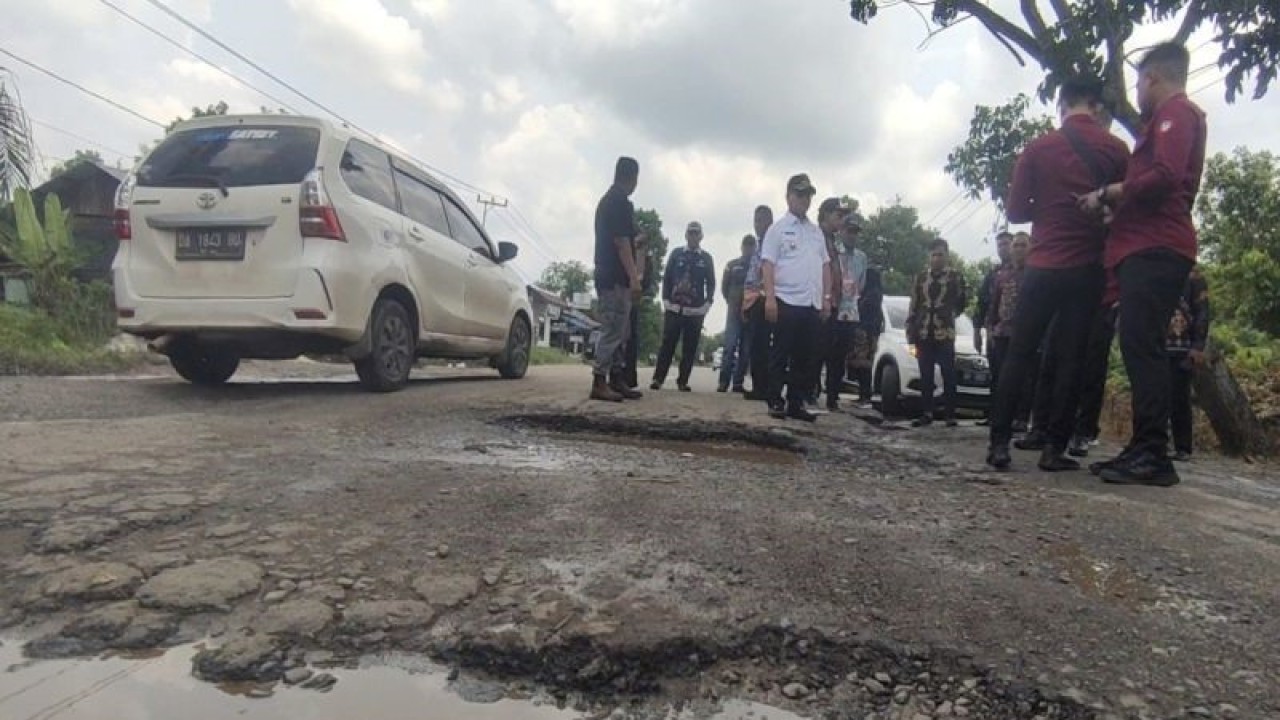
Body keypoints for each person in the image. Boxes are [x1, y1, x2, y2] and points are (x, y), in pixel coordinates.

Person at [1078, 41, 1207, 487]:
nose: (1138, 91)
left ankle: (1154, 452)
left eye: (1138, 82)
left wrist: (1111, 192)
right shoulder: (1169, 118)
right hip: (1146, 243)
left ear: (1152, 77)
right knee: (1138, 345)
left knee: (1142, 345)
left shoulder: (1178, 114)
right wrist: (1116, 208)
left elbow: (1167, 176)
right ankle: (1145, 445)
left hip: (1156, 248)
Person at [986, 76, 1130, 471]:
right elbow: (1127, 205)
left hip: (1042, 266)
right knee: (1071, 359)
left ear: (1062, 104)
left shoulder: (1038, 148)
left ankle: (999, 444)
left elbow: (1015, 212)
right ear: (1095, 106)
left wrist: (1047, 210)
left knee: (1019, 353)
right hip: (1087, 270)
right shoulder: (1117, 150)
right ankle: (1054, 451)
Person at [762, 174, 831, 422]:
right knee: (781, 353)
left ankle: (795, 401)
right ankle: (775, 400)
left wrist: (826, 297)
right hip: (786, 300)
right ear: (788, 196)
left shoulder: (815, 232)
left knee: (804, 357)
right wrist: (769, 298)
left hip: (810, 302)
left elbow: (825, 265)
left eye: (808, 195)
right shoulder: (778, 229)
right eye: (799, 194)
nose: (804, 200)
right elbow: (768, 265)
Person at [591, 157, 644, 402]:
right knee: (613, 329)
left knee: (622, 331)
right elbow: (622, 243)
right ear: (632, 178)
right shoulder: (617, 202)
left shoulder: (610, 201)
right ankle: (599, 380)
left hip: (611, 275)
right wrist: (635, 278)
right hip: (613, 276)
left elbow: (631, 237)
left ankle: (616, 377)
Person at [906, 238, 968, 427]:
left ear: (947, 256)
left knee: (948, 373)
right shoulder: (921, 277)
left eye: (940, 255)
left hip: (945, 333)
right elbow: (914, 304)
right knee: (925, 374)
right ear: (929, 257)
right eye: (933, 255)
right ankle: (926, 412)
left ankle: (950, 414)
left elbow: (961, 302)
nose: (936, 259)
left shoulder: (955, 277)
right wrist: (910, 329)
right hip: (923, 331)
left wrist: (948, 316)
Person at [651, 221, 716, 392]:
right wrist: (665, 300)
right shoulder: (676, 254)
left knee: (690, 347)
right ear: (686, 235)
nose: (693, 236)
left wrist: (708, 303)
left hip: (695, 310)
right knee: (667, 344)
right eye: (691, 233)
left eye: (696, 233)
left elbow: (711, 283)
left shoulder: (706, 258)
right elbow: (667, 278)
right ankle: (658, 378)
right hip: (674, 307)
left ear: (701, 236)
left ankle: (683, 381)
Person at [809, 197, 855, 411]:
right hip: (819, 303)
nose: (842, 219)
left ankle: (831, 397)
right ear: (826, 215)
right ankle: (809, 392)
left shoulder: (835, 242)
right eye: (838, 215)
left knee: (836, 354)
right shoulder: (815, 238)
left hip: (838, 304)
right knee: (816, 351)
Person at [824, 211, 868, 411]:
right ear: (842, 231)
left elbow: (861, 284)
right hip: (834, 309)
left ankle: (833, 398)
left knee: (842, 357)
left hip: (851, 312)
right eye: (849, 231)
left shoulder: (861, 258)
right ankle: (823, 394)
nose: (853, 235)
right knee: (828, 354)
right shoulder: (834, 253)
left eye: (855, 232)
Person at [1166, 266, 1210, 461]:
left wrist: (1198, 345)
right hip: (1155, 347)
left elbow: (1203, 311)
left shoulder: (1195, 276)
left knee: (1180, 398)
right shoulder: (1153, 268)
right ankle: (1153, 443)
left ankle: (1183, 447)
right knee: (1152, 396)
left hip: (1182, 347)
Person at [974, 231, 1013, 426]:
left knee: (1014, 376)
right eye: (1000, 245)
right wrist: (978, 330)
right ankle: (993, 415)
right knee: (996, 375)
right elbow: (983, 303)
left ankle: (1014, 418)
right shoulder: (993, 274)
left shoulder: (1024, 271)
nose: (1003, 249)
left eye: (1006, 244)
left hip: (1016, 333)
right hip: (994, 332)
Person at [743, 205, 775, 401]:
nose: (757, 225)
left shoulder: (772, 244)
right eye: (755, 221)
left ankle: (765, 388)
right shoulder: (758, 245)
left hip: (766, 298)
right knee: (755, 346)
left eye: (761, 221)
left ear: (769, 222)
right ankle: (758, 386)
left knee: (764, 346)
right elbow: (751, 276)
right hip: (753, 300)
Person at [717, 235, 756, 392]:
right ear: (741, 247)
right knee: (730, 346)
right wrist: (731, 301)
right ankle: (723, 382)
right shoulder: (732, 265)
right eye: (746, 246)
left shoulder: (756, 267)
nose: (748, 249)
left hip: (750, 312)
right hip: (734, 311)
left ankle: (738, 383)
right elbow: (724, 287)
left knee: (746, 349)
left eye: (751, 246)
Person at [849, 259, 884, 407]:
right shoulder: (876, 294)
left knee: (863, 366)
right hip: (870, 334)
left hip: (866, 334)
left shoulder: (871, 296)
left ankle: (865, 395)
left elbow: (864, 312)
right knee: (862, 365)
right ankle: (863, 394)